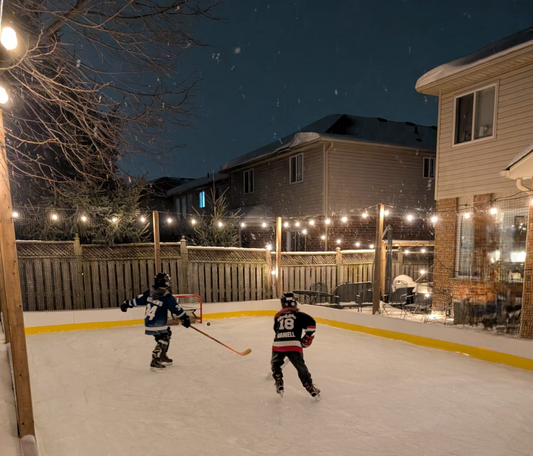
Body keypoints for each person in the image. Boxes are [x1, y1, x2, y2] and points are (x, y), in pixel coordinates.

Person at [120, 272, 191, 371]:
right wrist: (184, 317)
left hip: (149, 322)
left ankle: (162, 355)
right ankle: (156, 359)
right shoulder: (166, 296)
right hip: (158, 323)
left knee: (166, 334)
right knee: (164, 338)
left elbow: (138, 300)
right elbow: (176, 308)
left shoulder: (150, 292)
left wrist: (127, 304)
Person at [271, 292, 320, 398]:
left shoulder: (278, 316)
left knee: (276, 364)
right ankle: (309, 385)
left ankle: (278, 379)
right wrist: (307, 337)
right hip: (294, 345)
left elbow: (276, 330)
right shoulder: (300, 315)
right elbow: (312, 325)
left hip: (278, 344)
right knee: (300, 367)